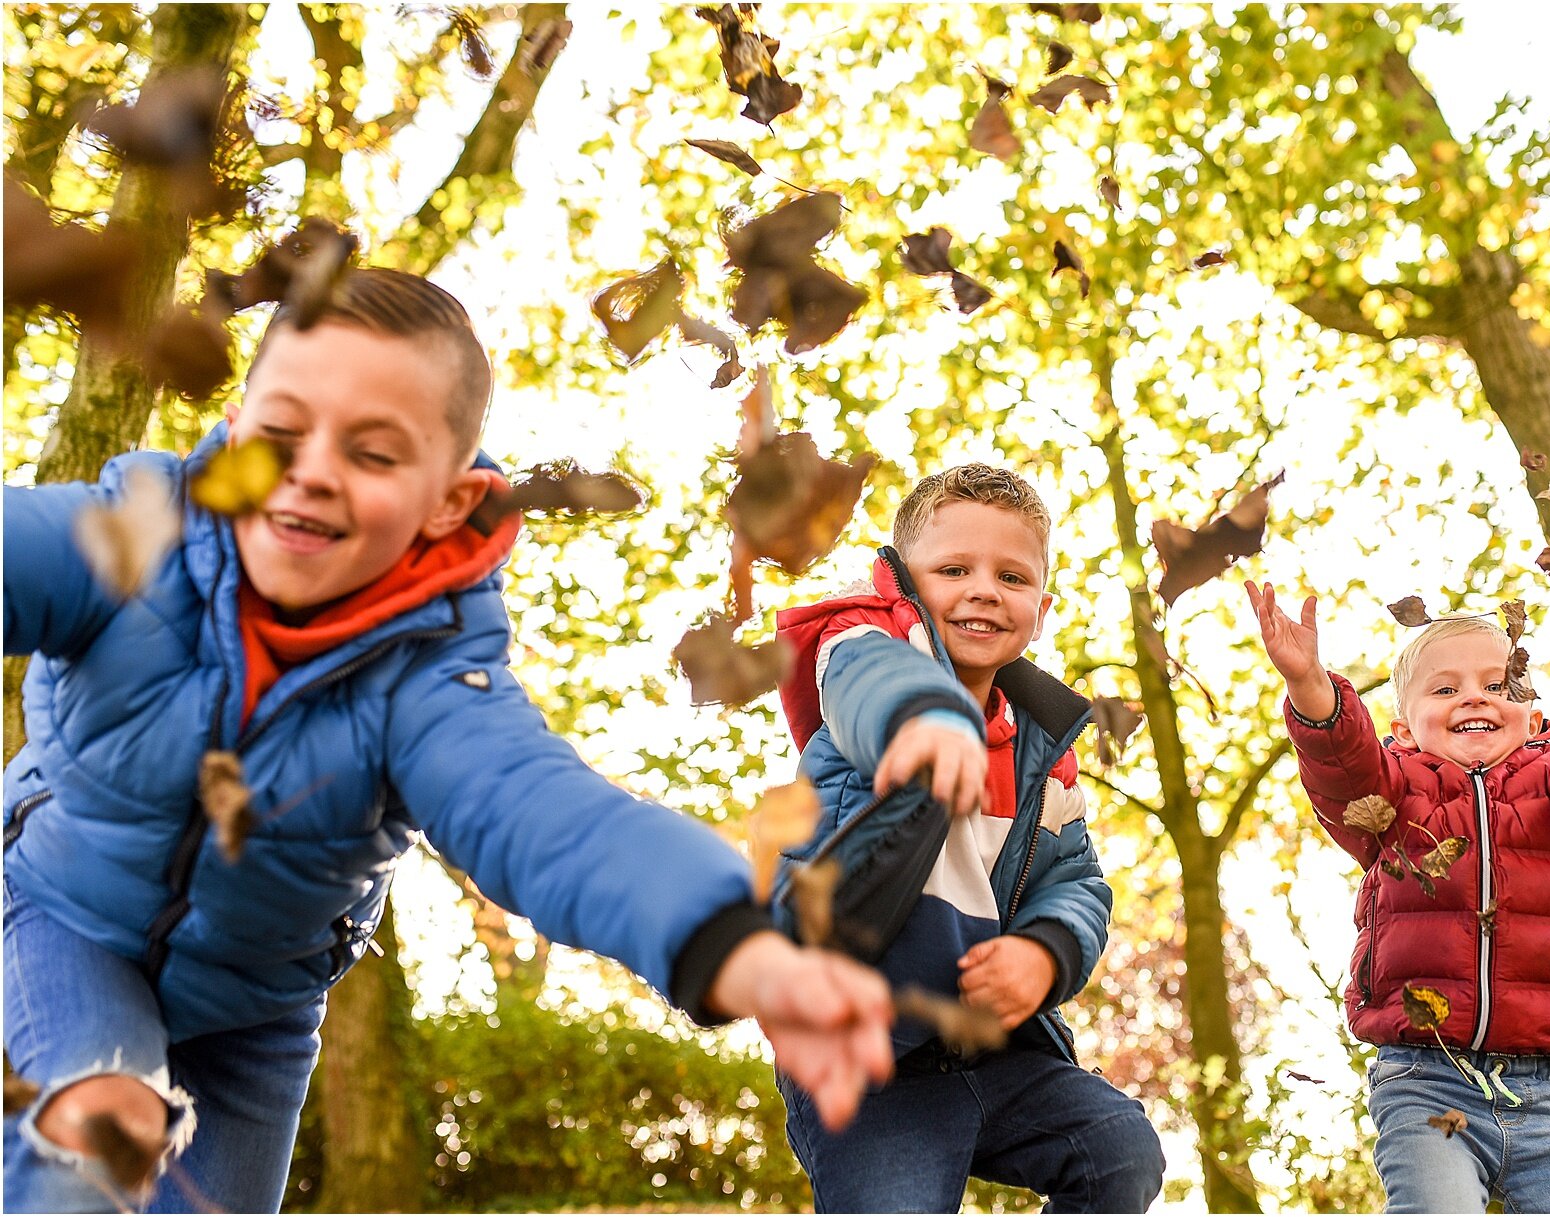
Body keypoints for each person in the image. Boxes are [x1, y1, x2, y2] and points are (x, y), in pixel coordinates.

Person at [2, 268, 893, 1213]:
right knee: (99, 1136)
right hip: (67, 923)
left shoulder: (431, 680)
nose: (310, 469)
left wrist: (732, 941)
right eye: (281, 432)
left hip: (256, 1013)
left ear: (446, 501)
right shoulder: (136, 538)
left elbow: (547, 817)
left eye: (374, 454)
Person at [1245, 579, 1550, 1213]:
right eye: (1445, 688)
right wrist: (1309, 686)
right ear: (1404, 726)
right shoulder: (1394, 795)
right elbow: (1343, 762)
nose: (1475, 696)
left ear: (1533, 709)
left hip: (1546, 1096)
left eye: (1498, 685)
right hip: (1425, 1081)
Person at [768, 464, 1164, 1213]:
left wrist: (1044, 952)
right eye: (954, 569)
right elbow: (867, 683)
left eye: (1011, 576)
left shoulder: (1044, 755)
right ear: (906, 587)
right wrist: (919, 721)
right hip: (866, 1064)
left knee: (1119, 1150)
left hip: (994, 1053)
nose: (984, 588)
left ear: (1041, 610)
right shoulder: (862, 654)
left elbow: (1077, 882)